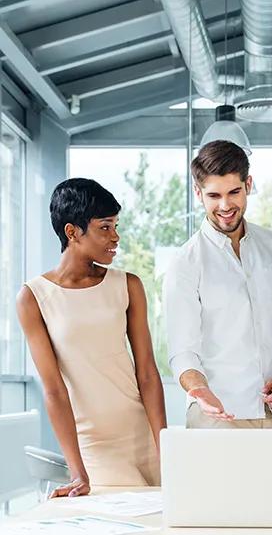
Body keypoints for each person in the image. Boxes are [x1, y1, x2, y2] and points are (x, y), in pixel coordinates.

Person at [16, 178, 165, 497]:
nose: (116, 236)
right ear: (72, 232)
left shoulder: (128, 285)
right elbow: (54, 391)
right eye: (105, 228)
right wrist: (77, 470)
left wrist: (165, 447)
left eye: (115, 226)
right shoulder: (34, 298)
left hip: (144, 435)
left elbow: (148, 374)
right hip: (95, 447)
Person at [163, 140, 272, 428]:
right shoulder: (185, 262)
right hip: (216, 416)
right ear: (197, 193)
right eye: (213, 195)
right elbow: (183, 349)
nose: (225, 205)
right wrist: (199, 390)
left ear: (249, 184)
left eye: (234, 192)